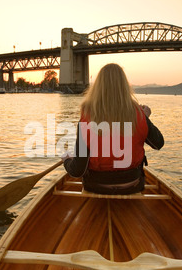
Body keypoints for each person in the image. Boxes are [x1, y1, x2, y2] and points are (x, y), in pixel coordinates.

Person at [61, 63, 164, 195]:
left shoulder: (86, 116)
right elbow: (158, 143)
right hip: (131, 184)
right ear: (124, 85)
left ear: (98, 87)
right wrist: (144, 117)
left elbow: (77, 171)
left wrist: (67, 160)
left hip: (96, 185)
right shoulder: (138, 113)